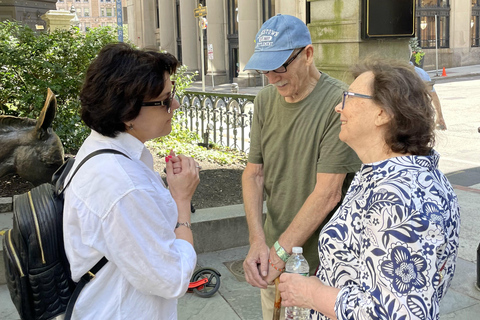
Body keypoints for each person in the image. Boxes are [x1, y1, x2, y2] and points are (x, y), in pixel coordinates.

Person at [278, 59, 460, 320]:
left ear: (383, 113)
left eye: (349, 97)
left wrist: (310, 293)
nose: (338, 107)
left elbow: (397, 313)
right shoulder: (388, 176)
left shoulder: (399, 198)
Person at [63, 43, 200, 319]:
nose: (174, 104)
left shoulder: (105, 151)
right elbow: (172, 279)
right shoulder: (122, 185)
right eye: (164, 100)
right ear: (127, 114)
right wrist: (182, 202)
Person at [242, 14, 361, 320]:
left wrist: (280, 254)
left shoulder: (339, 102)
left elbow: (328, 193)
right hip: (273, 255)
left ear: (308, 54)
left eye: (280, 66)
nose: (273, 78)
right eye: (265, 69)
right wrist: (258, 241)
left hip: (321, 266)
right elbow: (254, 174)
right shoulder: (266, 101)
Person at [410, 49, 447, 130]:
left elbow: (432, 94)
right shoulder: (420, 72)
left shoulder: (387, 72)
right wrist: (439, 116)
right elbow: (433, 94)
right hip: (419, 116)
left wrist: (439, 116)